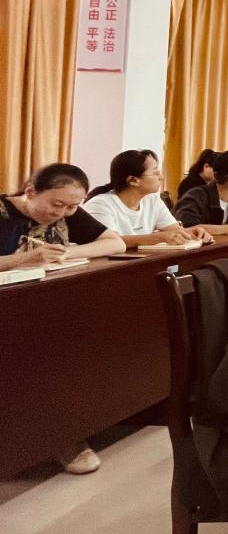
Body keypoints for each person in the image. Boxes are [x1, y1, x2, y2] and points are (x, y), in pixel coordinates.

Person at [0, 163, 127, 475]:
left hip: (40, 306)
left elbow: (116, 243)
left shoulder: (68, 211)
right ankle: (60, 441)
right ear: (31, 191)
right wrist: (22, 259)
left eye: (71, 207)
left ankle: (66, 431)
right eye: (56, 204)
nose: (62, 213)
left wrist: (65, 254)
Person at [82, 150, 213, 248]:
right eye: (155, 173)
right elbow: (109, 242)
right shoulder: (100, 204)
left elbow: (174, 230)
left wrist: (192, 233)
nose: (161, 177)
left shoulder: (152, 200)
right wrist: (158, 237)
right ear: (133, 180)